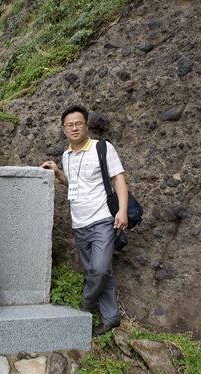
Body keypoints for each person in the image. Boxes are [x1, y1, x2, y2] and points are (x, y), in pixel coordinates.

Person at [41, 105, 128, 336]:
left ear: (86, 125)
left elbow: (118, 178)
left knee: (98, 269)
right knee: (99, 271)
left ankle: (85, 305)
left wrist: (123, 211)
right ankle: (111, 317)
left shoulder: (102, 148)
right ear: (64, 129)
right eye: (69, 125)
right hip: (79, 223)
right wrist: (58, 172)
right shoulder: (66, 155)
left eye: (78, 123)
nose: (74, 128)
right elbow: (75, 185)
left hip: (102, 220)